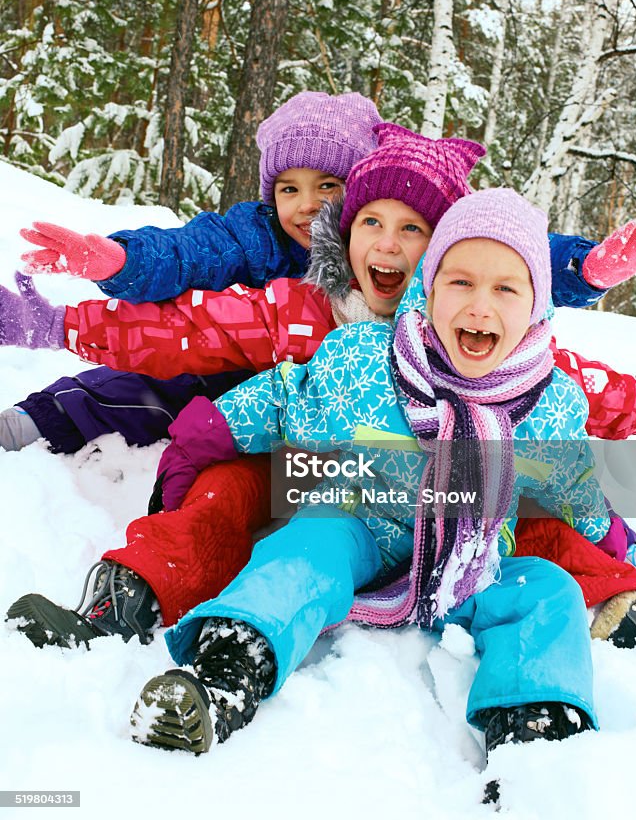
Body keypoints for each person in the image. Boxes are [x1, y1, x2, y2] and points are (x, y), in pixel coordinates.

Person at [4, 129, 636, 643]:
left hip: (452, 501)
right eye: (370, 224)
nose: (387, 247)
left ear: (443, 251)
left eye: (412, 229)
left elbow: (576, 392)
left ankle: (635, 621)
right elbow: (188, 331)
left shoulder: (481, 329)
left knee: (540, 515)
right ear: (344, 233)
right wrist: (62, 322)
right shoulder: (305, 308)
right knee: (224, 491)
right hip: (326, 489)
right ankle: (127, 597)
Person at [128, 188, 611, 780]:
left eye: (506, 289)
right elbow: (284, 400)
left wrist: (617, 545)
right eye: (460, 282)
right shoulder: (361, 357)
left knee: (548, 591)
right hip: (362, 522)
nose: (480, 306)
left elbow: (576, 484)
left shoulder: (551, 403)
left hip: (472, 556)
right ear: (428, 288)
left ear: (536, 307)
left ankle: (538, 736)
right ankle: (228, 666)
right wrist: (204, 434)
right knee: (309, 541)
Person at [0, 90, 382, 453]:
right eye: (289, 189)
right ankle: (42, 419)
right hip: (240, 380)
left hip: (335, 416)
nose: (306, 205)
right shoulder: (257, 235)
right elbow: (191, 252)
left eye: (328, 186)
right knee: (168, 367)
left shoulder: (381, 254)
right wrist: (124, 261)